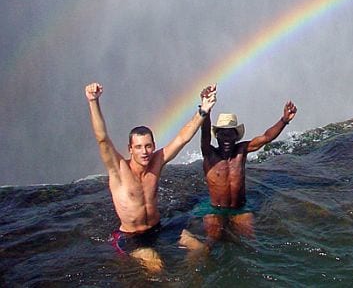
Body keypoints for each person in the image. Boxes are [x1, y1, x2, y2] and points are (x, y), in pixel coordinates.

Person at [84, 82, 217, 272]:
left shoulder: (157, 161)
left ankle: (190, 280)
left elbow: (182, 138)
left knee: (200, 249)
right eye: (138, 147)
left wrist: (203, 110)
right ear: (130, 149)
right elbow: (102, 139)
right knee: (155, 264)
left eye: (148, 146)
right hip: (131, 237)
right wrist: (93, 101)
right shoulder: (119, 169)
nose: (144, 152)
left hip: (158, 228)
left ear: (153, 145)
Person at [181, 88, 296, 249]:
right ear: (218, 136)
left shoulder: (241, 151)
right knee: (210, 242)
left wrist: (284, 120)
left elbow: (266, 137)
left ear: (236, 136)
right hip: (215, 209)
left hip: (240, 209)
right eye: (223, 134)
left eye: (230, 134)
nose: (227, 138)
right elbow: (205, 131)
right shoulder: (209, 153)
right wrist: (205, 107)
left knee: (250, 243)